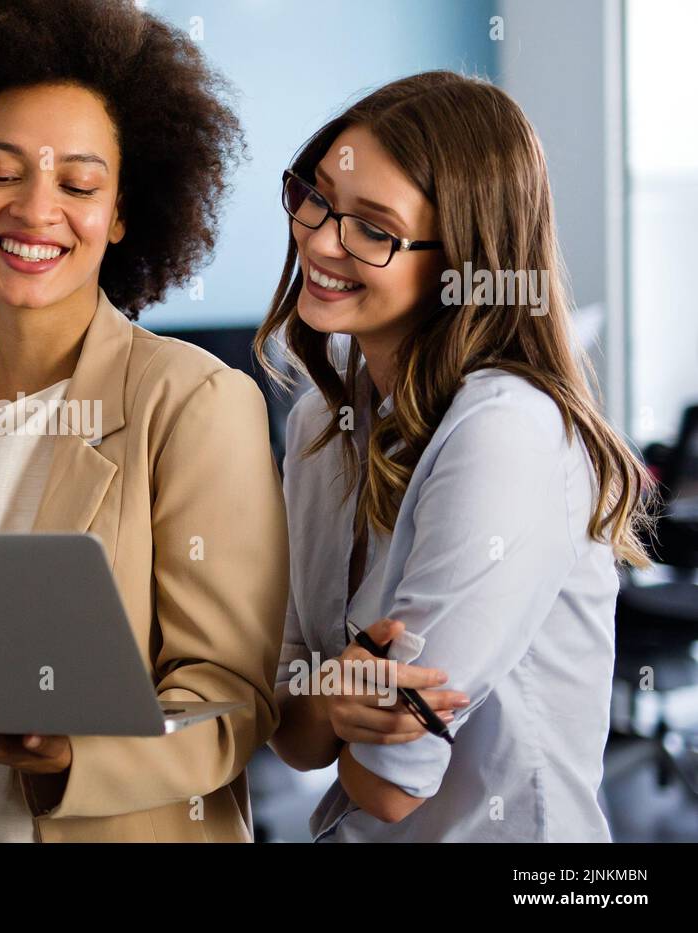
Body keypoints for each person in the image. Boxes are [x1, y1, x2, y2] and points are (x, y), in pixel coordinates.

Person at [0, 0, 288, 843]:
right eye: (1, 173)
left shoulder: (194, 404)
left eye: (78, 183)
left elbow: (233, 703)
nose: (37, 210)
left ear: (120, 212)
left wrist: (61, 749)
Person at [260, 71, 652, 841]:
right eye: (316, 197)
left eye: (373, 228)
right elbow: (293, 734)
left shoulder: (506, 434)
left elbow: (388, 783)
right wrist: (331, 704)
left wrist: (329, 704)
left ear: (460, 259)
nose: (320, 239)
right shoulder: (320, 426)